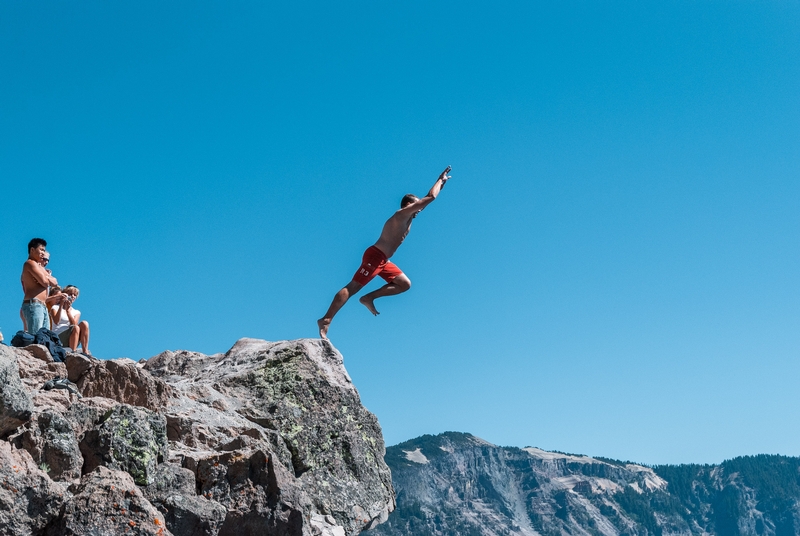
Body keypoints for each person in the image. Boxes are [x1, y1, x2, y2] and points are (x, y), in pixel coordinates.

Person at [317, 166, 452, 339]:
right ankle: (326, 320)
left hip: (383, 260)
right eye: (416, 205)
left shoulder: (409, 216)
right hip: (375, 256)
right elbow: (430, 198)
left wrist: (441, 184)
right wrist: (440, 180)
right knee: (353, 286)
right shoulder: (401, 214)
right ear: (408, 205)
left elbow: (429, 198)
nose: (419, 209)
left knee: (404, 284)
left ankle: (369, 298)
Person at [20, 238, 58, 334]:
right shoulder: (30, 264)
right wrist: (47, 277)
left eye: (44, 250)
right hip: (34, 304)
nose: (43, 253)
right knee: (36, 337)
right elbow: (45, 282)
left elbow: (55, 283)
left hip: (43, 306)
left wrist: (46, 277)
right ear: (32, 250)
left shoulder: (40, 267)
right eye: (41, 249)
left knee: (45, 338)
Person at [50, 285, 91, 355]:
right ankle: (73, 352)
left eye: (74, 295)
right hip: (58, 336)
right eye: (70, 294)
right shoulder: (55, 307)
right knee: (76, 328)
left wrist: (68, 311)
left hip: (72, 336)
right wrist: (61, 305)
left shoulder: (76, 312)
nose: (72, 296)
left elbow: (73, 324)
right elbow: (56, 321)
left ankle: (85, 351)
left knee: (84, 323)